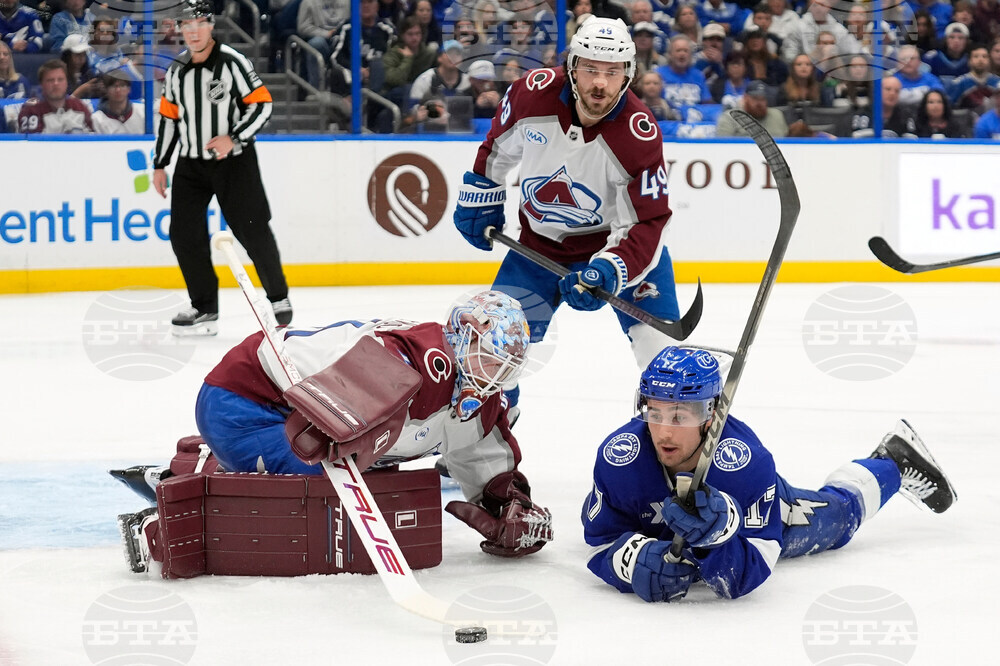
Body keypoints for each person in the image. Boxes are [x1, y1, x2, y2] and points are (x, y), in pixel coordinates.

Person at [114, 291, 554, 572]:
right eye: (491, 359)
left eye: (507, 365)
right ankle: (180, 498)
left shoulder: (479, 396)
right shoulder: (416, 359)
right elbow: (346, 395)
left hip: (286, 413)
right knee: (324, 494)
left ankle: (196, 461)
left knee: (354, 484)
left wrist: (508, 508)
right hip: (245, 398)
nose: (498, 375)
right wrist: (347, 421)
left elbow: (482, 461)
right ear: (461, 339)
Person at [582, 346, 957, 602]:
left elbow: (752, 567)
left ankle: (894, 462)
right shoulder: (620, 457)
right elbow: (600, 540)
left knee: (839, 516)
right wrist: (631, 561)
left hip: (758, 513)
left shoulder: (744, 463)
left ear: (710, 414)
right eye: (655, 412)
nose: (664, 431)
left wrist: (717, 538)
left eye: (682, 416)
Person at [453, 16, 684, 408]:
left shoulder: (638, 134)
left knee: (669, 368)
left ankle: (676, 449)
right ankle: (484, 452)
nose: (600, 83)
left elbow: (646, 222)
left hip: (622, 254)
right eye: (591, 68)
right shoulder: (531, 93)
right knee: (486, 353)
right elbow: (497, 148)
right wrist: (482, 191)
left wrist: (611, 268)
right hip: (537, 252)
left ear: (628, 74)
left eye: (612, 72)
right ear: (571, 66)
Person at [153, 0, 291, 335]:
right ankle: (204, 307)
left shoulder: (232, 62)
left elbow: (262, 104)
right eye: (187, 25)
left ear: (211, 26)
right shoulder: (177, 71)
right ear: (180, 30)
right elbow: (169, 121)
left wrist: (234, 137)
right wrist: (159, 164)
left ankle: (278, 297)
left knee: (252, 228)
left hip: (235, 162)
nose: (193, 31)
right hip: (190, 165)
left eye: (199, 23)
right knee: (184, 234)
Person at [16, 59, 93, 133]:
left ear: (66, 83)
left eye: (60, 79)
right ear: (41, 84)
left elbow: (94, 138)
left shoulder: (79, 106)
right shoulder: (31, 110)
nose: (56, 83)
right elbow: (31, 144)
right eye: (50, 80)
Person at [296, 0, 348, 89]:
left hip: (344, 35)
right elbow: (302, 27)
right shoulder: (308, 2)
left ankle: (350, 90)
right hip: (320, 37)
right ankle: (315, 90)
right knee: (316, 44)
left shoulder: (349, 2)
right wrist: (326, 34)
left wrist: (340, 33)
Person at [657, 34, 713, 110]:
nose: (682, 54)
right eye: (678, 50)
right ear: (670, 54)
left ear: (690, 55)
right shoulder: (658, 74)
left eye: (685, 51)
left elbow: (707, 104)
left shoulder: (698, 75)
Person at [850, 75, 917, 137]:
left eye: (897, 91)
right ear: (877, 90)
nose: (892, 94)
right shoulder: (862, 115)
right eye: (888, 89)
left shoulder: (905, 117)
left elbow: (911, 145)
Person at [716, 79, 788, 136]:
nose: (759, 103)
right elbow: (722, 145)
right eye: (755, 98)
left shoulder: (777, 115)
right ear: (745, 98)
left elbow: (788, 143)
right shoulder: (731, 117)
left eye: (762, 99)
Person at [948, 44, 1000, 111]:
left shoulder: (997, 83)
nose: (980, 60)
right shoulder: (959, 83)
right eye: (976, 56)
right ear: (969, 61)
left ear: (989, 60)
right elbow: (951, 108)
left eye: (984, 57)